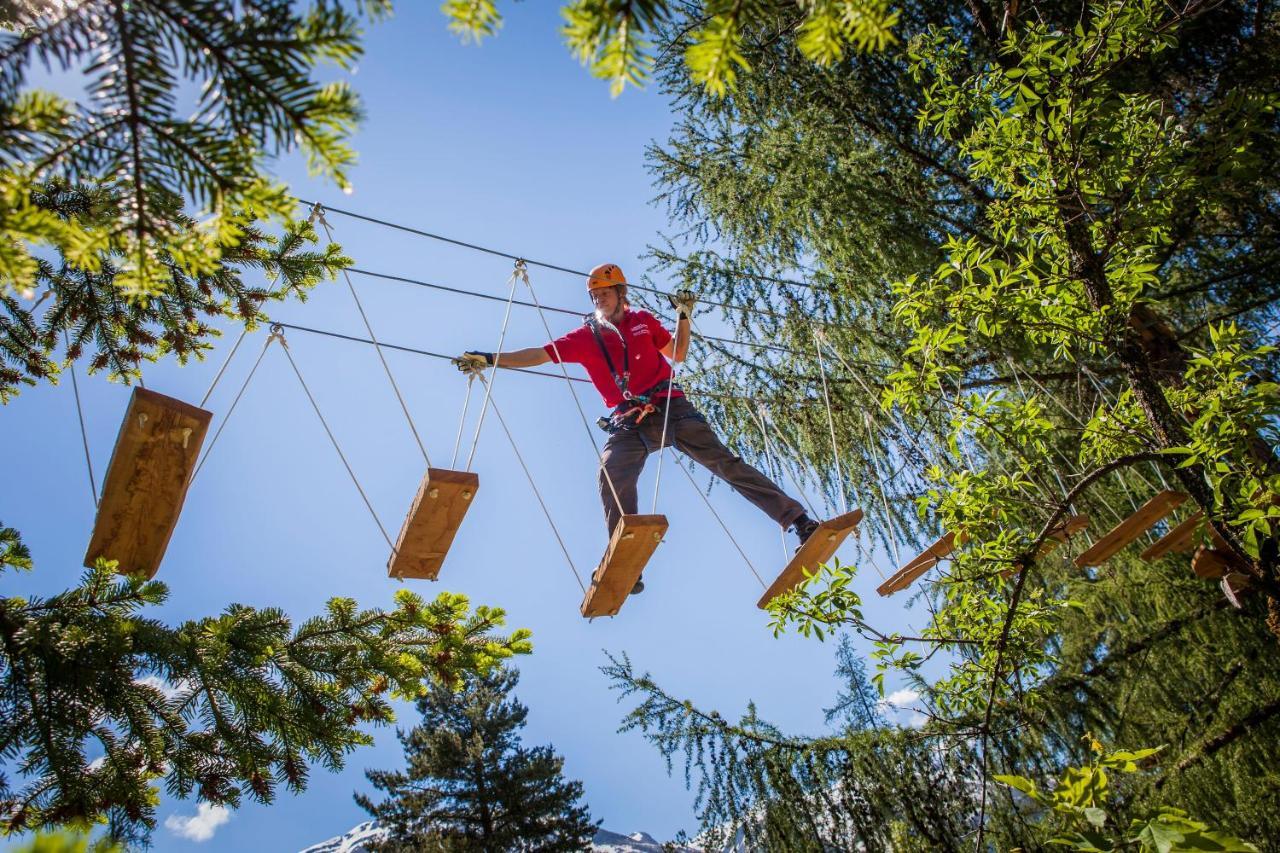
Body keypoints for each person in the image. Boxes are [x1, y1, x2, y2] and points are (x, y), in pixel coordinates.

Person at [455, 263, 820, 593]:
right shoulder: (584, 338)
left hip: (671, 408)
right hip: (629, 422)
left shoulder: (643, 321)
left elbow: (676, 353)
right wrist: (490, 360)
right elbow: (538, 354)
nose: (600, 299)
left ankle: (800, 521)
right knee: (611, 474)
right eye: (595, 295)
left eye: (606, 293)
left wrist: (683, 316)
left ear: (621, 294)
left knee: (726, 464)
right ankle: (626, 559)